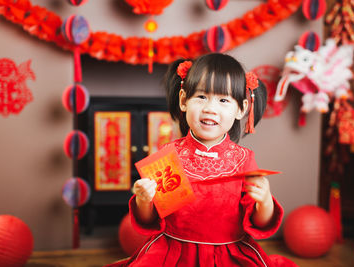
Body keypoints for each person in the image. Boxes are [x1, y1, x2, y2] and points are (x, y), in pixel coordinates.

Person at [107, 53, 296, 267]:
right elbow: (150, 220)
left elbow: (258, 223)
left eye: (223, 100)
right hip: (173, 253)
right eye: (201, 97)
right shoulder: (168, 154)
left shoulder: (244, 159)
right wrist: (144, 200)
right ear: (183, 100)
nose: (210, 108)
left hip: (229, 254)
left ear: (241, 109)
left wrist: (265, 202)